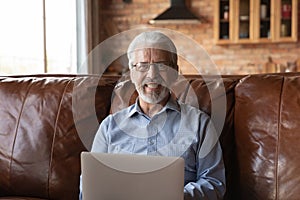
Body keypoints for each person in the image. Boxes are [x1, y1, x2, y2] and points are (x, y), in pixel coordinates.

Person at [79, 31, 225, 199]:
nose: (152, 75)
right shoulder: (109, 127)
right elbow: (89, 186)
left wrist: (176, 196)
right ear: (132, 73)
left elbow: (214, 183)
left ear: (175, 72)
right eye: (142, 66)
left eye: (161, 65)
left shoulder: (199, 124)